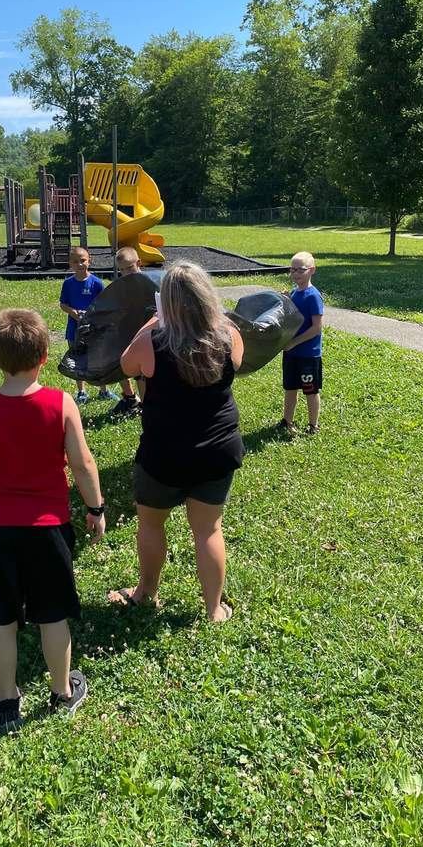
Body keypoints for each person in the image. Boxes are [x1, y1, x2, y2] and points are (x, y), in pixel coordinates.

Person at [0, 308, 105, 733]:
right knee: (52, 614)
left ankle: (8, 701)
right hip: (48, 528)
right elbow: (82, 464)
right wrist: (95, 508)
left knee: (0, 618)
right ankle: (61, 691)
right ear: (45, 355)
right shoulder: (61, 403)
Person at [108, 261, 244, 622]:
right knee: (209, 530)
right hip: (217, 451)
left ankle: (145, 592)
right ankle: (214, 609)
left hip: (163, 454)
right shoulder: (229, 335)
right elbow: (238, 363)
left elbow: (126, 365)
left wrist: (155, 321)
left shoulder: (152, 341)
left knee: (151, 524)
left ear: (165, 302)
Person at [59, 246, 118, 404]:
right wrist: (74, 313)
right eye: (75, 261)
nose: (80, 264)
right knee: (78, 359)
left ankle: (103, 390)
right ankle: (81, 392)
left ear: (89, 261)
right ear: (70, 264)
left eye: (83, 260)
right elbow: (63, 304)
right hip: (74, 329)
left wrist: (92, 315)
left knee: (98, 359)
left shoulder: (97, 283)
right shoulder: (68, 284)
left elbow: (104, 304)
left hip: (94, 328)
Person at [274, 251, 324, 436]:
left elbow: (316, 328)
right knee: (290, 388)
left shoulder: (313, 296)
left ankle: (313, 426)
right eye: (292, 269)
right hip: (291, 353)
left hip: (308, 355)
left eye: (300, 270)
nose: (295, 274)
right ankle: (287, 421)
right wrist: (287, 300)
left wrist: (294, 342)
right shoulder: (295, 292)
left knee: (310, 391)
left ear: (312, 270)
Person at [107, 246, 144, 420]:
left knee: (142, 373)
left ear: (139, 263)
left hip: (145, 335)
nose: (126, 273)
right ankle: (130, 398)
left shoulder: (148, 283)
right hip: (125, 333)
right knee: (120, 365)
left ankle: (146, 404)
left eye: (129, 268)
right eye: (121, 270)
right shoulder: (119, 287)